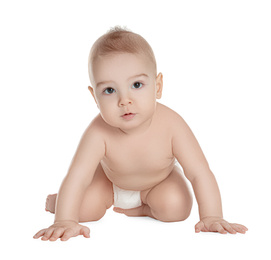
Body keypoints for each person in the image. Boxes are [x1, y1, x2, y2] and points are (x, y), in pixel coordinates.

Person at [34, 26, 248, 241]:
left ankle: (145, 209)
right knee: (83, 211)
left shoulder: (172, 125)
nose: (124, 100)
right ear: (94, 97)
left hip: (157, 185)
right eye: (109, 90)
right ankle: (57, 203)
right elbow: (78, 177)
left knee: (177, 207)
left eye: (136, 84)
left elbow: (199, 172)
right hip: (109, 184)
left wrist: (212, 216)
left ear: (157, 86)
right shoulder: (97, 132)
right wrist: (64, 219)